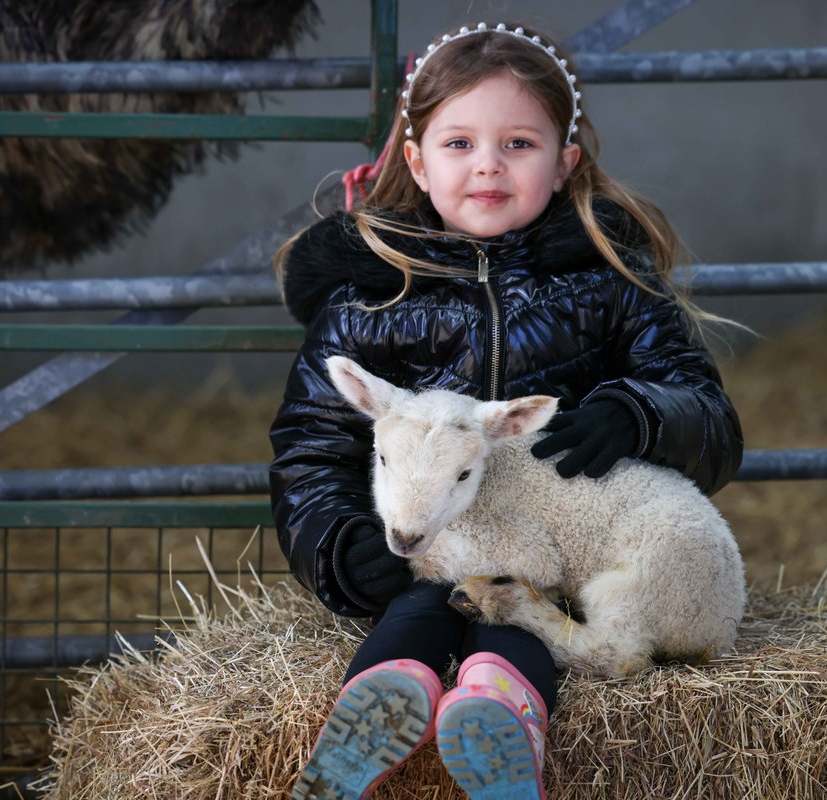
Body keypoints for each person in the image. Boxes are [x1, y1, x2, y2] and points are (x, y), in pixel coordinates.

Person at [269, 21, 743, 800]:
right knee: (425, 602)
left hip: (556, 547)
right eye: (459, 144)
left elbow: (711, 420)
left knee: (510, 607)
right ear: (417, 164)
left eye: (518, 144)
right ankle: (374, 710)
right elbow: (310, 446)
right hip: (415, 545)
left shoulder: (610, 285)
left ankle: (501, 720)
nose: (488, 163)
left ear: (564, 164)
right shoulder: (368, 299)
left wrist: (640, 413)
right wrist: (334, 542)